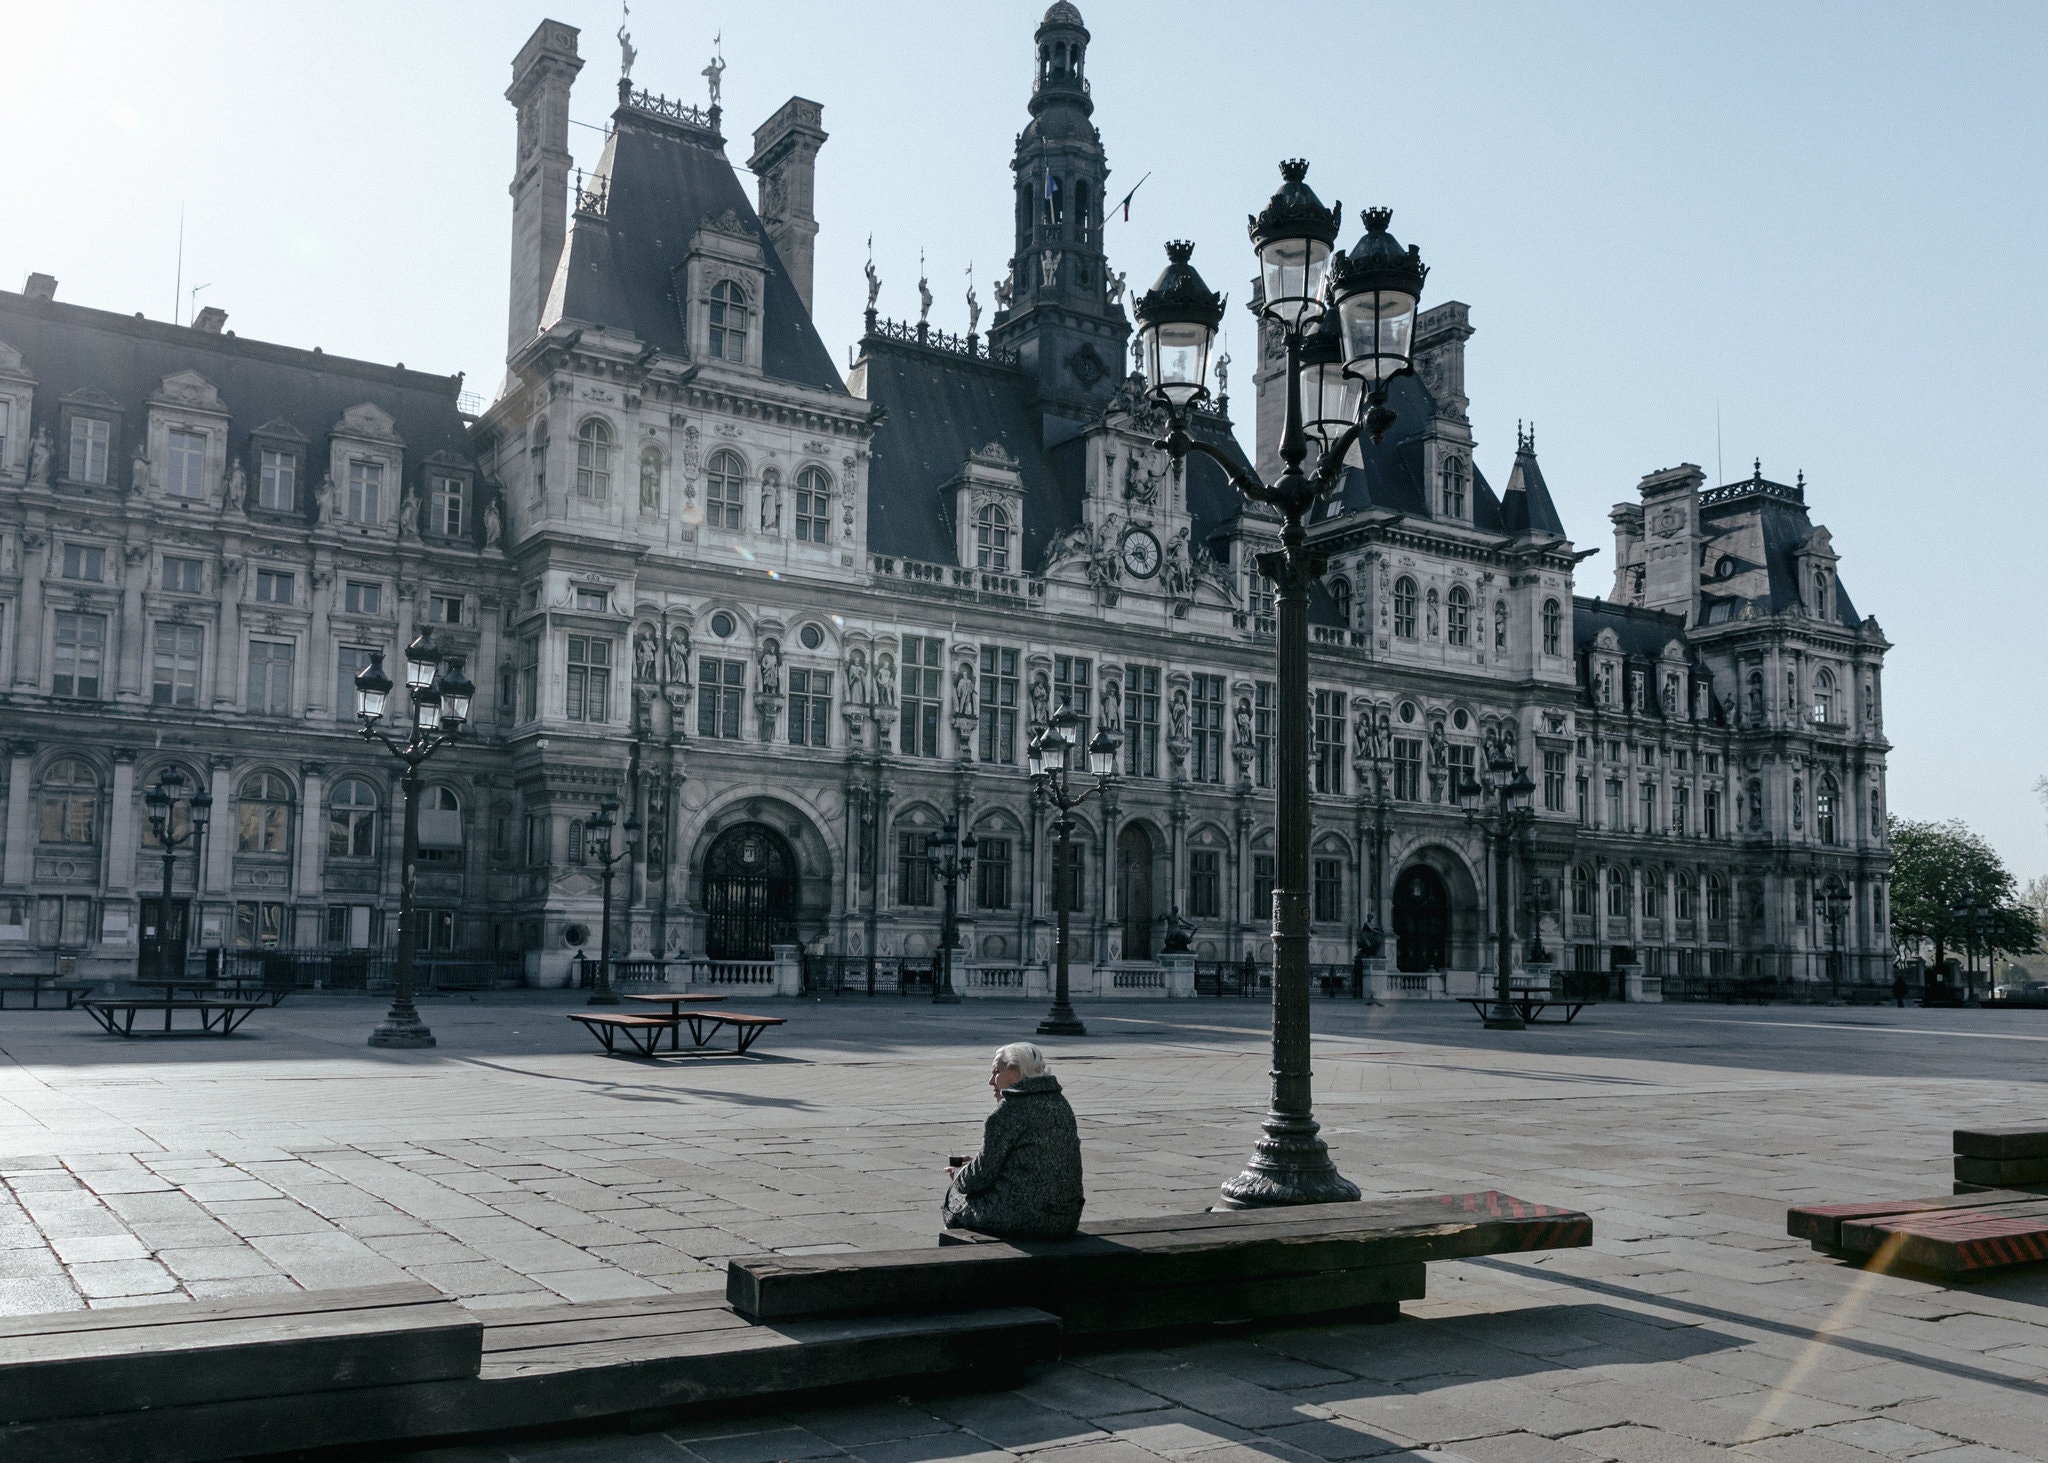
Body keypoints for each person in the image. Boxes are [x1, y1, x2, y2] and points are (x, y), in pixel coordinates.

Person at [943, 1043, 1083, 1240]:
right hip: (1066, 1218)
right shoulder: (1060, 1103)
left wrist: (959, 1176)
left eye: (996, 1072)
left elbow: (980, 1177)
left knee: (954, 1202)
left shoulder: (1008, 1110)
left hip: (1024, 1219)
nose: (991, 1081)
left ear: (1015, 1073)